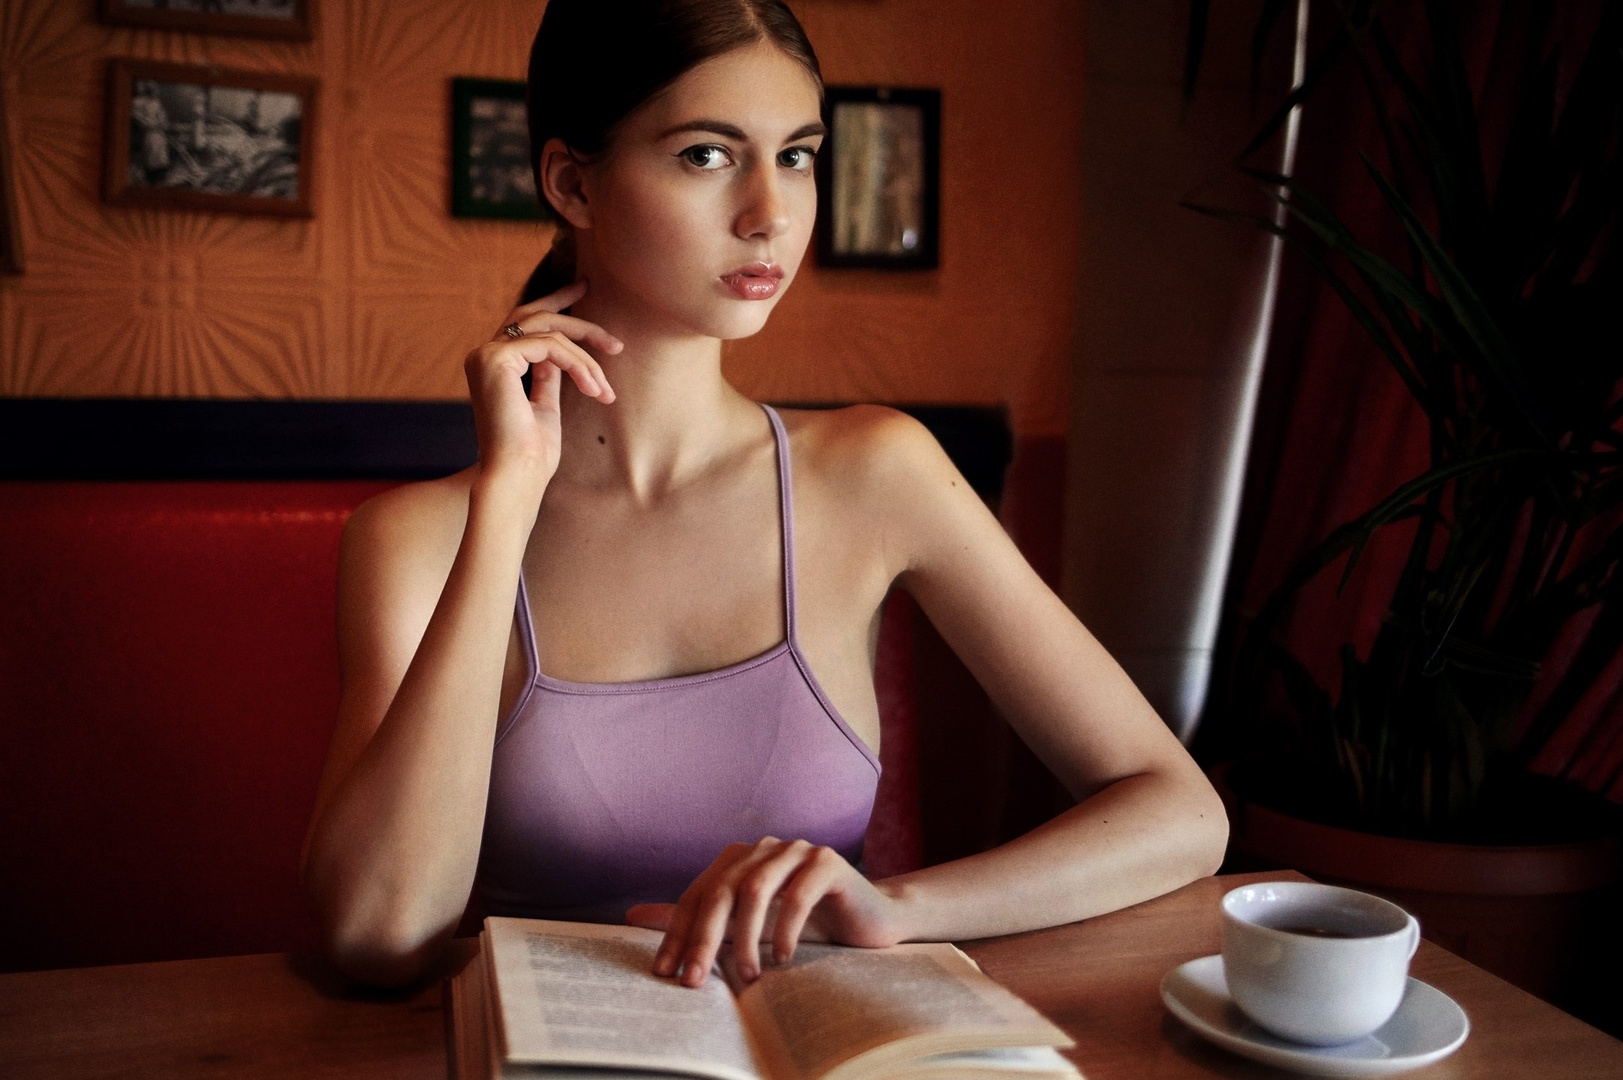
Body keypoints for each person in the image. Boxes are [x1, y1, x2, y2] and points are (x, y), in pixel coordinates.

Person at [301, 0, 1227, 990]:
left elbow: (1178, 810)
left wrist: (901, 908)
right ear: (573, 183)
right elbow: (371, 938)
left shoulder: (876, 472)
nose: (771, 213)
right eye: (707, 155)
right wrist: (507, 502)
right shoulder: (418, 538)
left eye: (796, 155)